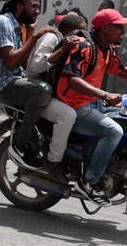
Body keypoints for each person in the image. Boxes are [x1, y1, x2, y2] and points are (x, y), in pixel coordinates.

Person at [56, 8, 127, 205]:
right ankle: (89, 181)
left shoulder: (107, 49)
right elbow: (72, 80)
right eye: (119, 27)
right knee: (113, 131)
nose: (123, 31)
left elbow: (120, 70)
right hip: (74, 107)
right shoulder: (84, 47)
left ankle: (117, 165)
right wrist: (106, 94)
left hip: (94, 104)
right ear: (105, 28)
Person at [0, 0, 56, 167]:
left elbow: (24, 64)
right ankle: (21, 145)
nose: (37, 11)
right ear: (20, 6)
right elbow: (12, 61)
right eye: (34, 6)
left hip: (12, 81)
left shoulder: (16, 27)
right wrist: (35, 36)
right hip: (1, 86)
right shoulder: (4, 24)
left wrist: (30, 32)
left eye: (38, 7)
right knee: (43, 90)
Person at [25, 12, 84, 182]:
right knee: (67, 115)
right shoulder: (52, 39)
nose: (84, 37)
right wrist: (63, 49)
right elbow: (36, 67)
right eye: (80, 32)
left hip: (54, 92)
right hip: (37, 91)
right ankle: (54, 161)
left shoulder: (80, 44)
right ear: (69, 31)